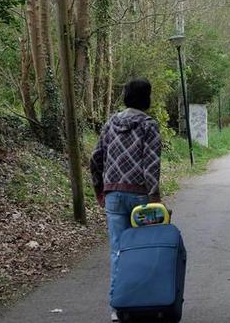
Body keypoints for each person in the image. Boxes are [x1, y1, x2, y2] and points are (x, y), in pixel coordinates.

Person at [90, 78, 162, 322]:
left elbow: (96, 157)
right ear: (147, 98)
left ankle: (118, 307)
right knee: (144, 250)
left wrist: (100, 189)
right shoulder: (149, 125)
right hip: (142, 197)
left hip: (113, 196)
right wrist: (155, 196)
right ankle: (146, 303)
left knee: (118, 250)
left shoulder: (110, 123)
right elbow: (151, 163)